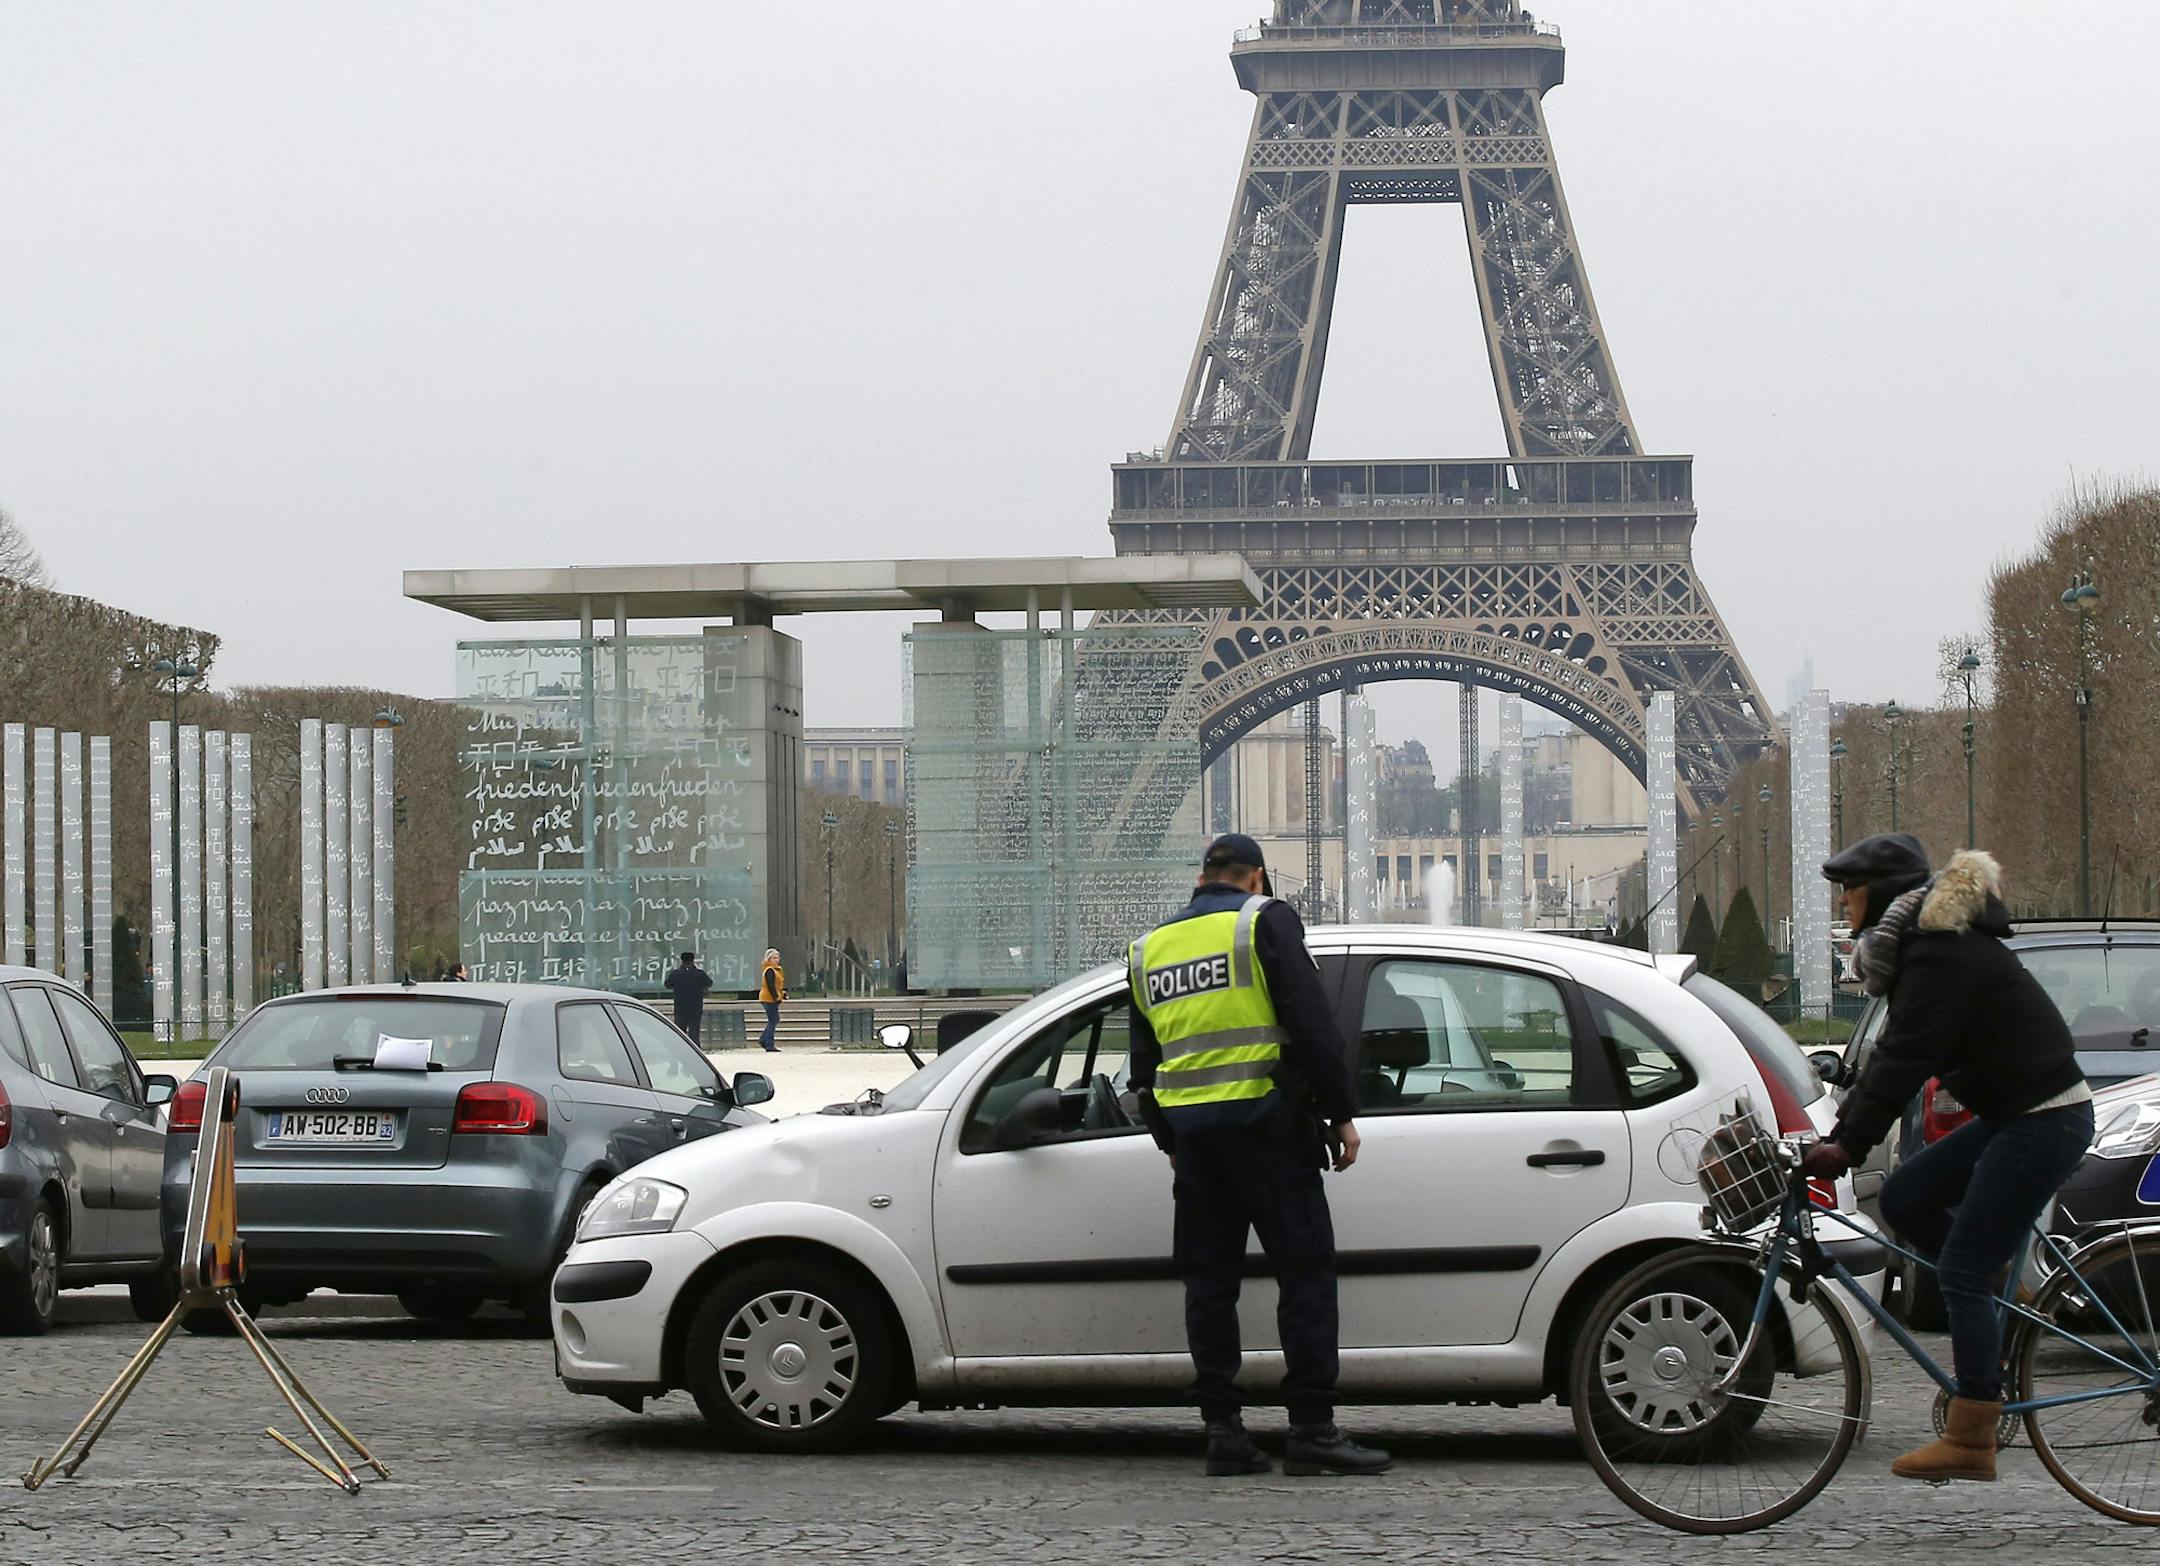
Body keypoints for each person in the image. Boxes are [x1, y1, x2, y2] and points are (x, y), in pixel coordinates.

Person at [1802, 834, 2092, 1482]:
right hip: (2018, 1113)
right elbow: (1893, 1056)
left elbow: (1908, 1054)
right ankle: (1990, 1295)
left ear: (1876, 893)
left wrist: (1847, 1145)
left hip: (2043, 1119)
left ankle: (1972, 1436)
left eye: (1848, 891)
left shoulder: (1939, 952)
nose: (1843, 903)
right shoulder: (1925, 946)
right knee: (1904, 1198)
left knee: (1958, 1268)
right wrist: (1843, 1127)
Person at [1127, 832, 1390, 1479]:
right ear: (1255, 878)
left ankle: (1223, 1432)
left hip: (1197, 1146)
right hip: (1270, 1131)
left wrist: (1169, 1140)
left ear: (1203, 874)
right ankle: (1311, 1429)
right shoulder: (1262, 922)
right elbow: (1311, 1022)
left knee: (1208, 1285)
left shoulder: (1149, 949)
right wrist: (1342, 1113)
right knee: (1304, 1275)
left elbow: (1142, 1068)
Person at [664, 951, 713, 1042]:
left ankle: (680, 1049)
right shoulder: (700, 974)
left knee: (680, 1033)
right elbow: (709, 983)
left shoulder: (675, 974)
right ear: (693, 960)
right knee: (694, 1033)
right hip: (695, 1007)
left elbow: (668, 985)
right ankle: (694, 1051)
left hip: (680, 1007)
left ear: (681, 961)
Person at [756, 948, 786, 1053]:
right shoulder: (769, 970)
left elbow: (778, 986)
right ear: (769, 959)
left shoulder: (777, 970)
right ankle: (768, 1043)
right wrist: (776, 997)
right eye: (774, 958)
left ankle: (764, 1039)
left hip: (771, 997)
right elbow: (770, 986)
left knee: (773, 1020)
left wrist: (782, 994)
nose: (777, 960)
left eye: (778, 957)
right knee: (774, 1020)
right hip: (768, 998)